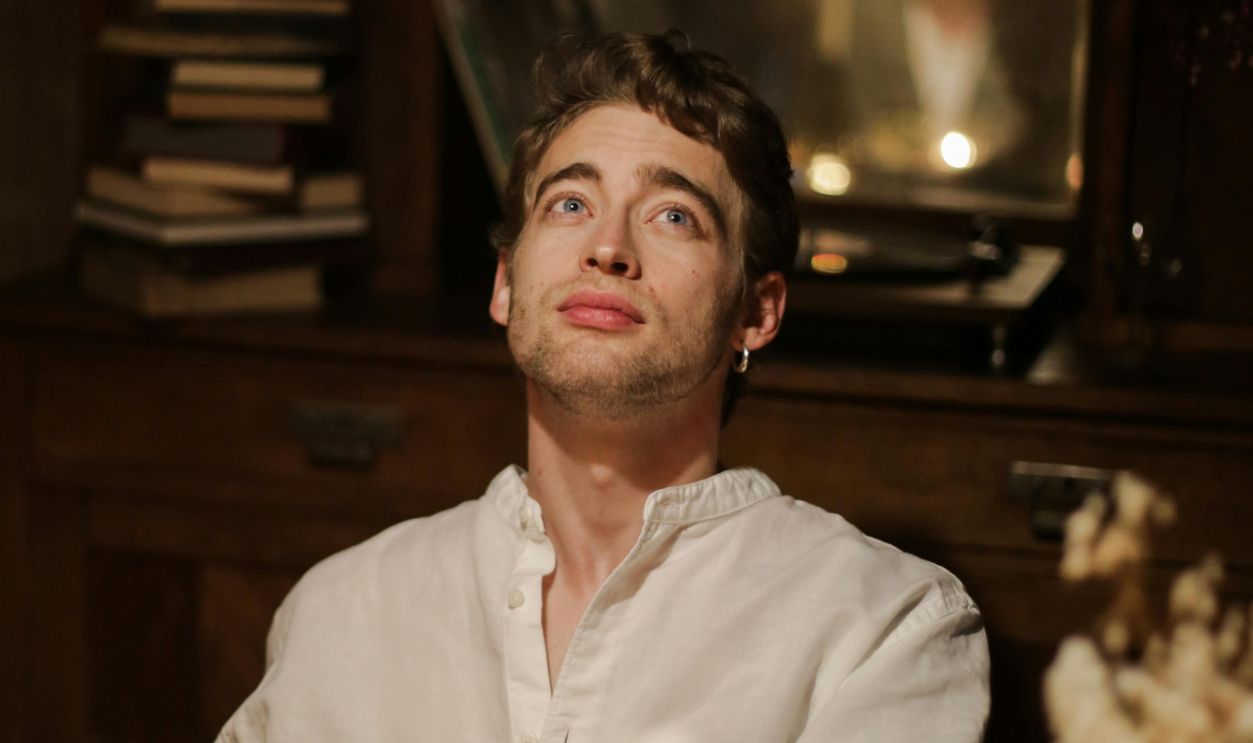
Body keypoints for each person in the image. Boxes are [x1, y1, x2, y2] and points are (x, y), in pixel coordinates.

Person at [217, 30, 989, 743]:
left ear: (754, 311)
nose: (608, 247)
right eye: (570, 204)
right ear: (505, 284)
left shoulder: (883, 626)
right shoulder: (342, 611)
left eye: (673, 216)